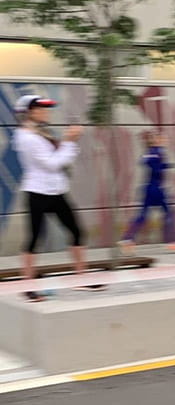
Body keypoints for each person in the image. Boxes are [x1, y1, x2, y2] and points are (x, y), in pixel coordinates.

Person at [12, 94, 105, 302]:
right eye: (40, 109)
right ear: (27, 113)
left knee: (76, 231)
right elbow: (52, 163)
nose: (46, 111)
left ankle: (81, 277)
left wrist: (67, 142)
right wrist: (70, 141)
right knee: (35, 238)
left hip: (56, 191)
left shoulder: (40, 132)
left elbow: (57, 158)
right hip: (38, 192)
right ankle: (28, 286)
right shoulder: (26, 138)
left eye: (46, 108)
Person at [118, 131, 175, 255]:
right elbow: (155, 168)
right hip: (157, 189)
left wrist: (166, 165)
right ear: (156, 140)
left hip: (148, 188)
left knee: (143, 215)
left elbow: (145, 161)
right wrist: (165, 166)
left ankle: (127, 239)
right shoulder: (158, 152)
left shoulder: (150, 152)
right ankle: (174, 242)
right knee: (169, 213)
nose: (165, 139)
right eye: (161, 138)